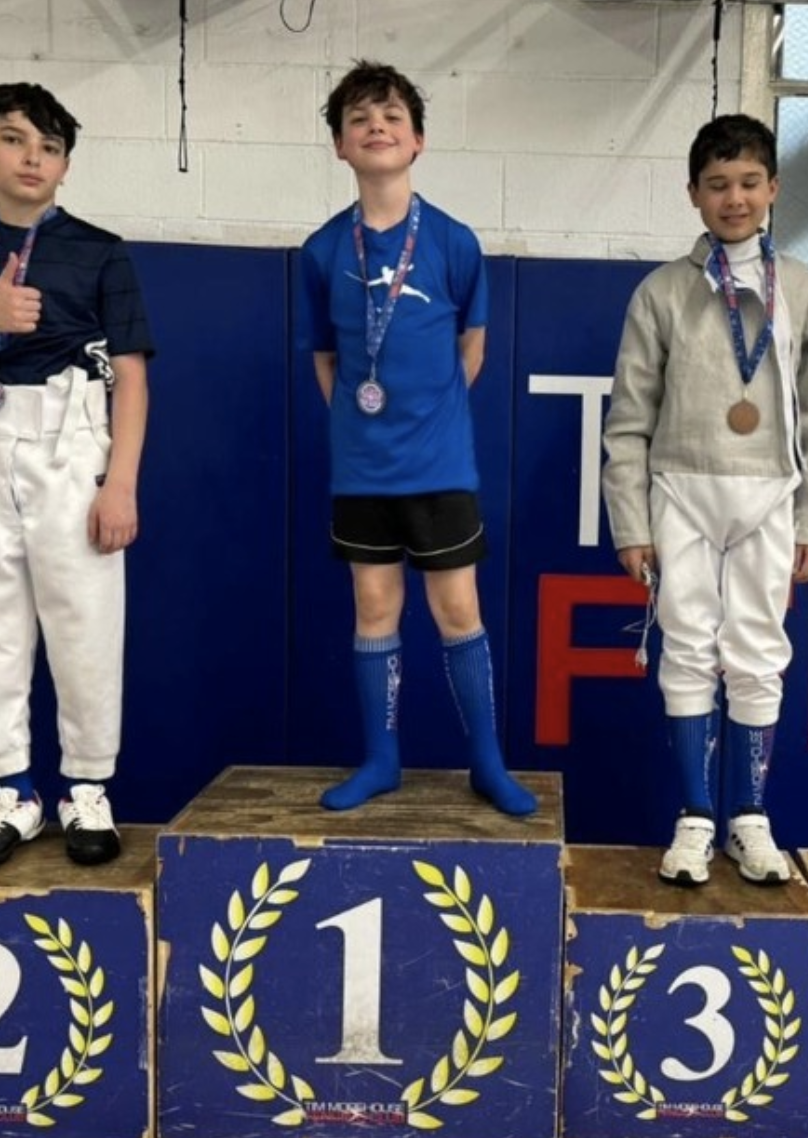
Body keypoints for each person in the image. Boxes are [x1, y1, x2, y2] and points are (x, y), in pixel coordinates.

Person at [0, 82, 154, 871]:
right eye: (14, 140)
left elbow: (134, 376)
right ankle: (13, 791)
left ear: (66, 165)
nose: (32, 157)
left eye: (48, 147)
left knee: (82, 622)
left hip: (71, 442)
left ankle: (87, 789)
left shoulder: (100, 249)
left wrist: (120, 483)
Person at [601, 114, 808, 886]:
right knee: (687, 646)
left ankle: (750, 818)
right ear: (693, 195)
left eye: (747, 183)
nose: (733, 198)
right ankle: (696, 815)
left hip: (770, 493)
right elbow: (630, 417)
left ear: (772, 188)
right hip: (682, 486)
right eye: (717, 185)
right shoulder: (663, 292)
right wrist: (631, 523)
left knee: (757, 653)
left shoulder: (803, 288)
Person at [298, 60, 535, 817]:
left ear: (419, 141)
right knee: (374, 609)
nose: (377, 126)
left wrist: (431, 416)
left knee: (458, 612)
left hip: (439, 467)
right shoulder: (323, 251)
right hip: (361, 470)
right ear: (340, 145)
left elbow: (474, 345)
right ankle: (381, 760)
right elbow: (328, 359)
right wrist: (361, 422)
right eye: (360, 117)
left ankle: (488, 765)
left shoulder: (455, 243)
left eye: (393, 115)